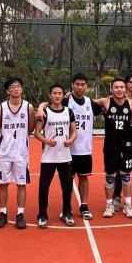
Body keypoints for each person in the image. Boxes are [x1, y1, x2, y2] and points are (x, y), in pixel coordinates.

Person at [36, 73, 103, 220]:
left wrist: (111, 98)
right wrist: (40, 107)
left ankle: (83, 206)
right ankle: (66, 209)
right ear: (72, 85)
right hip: (67, 150)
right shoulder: (66, 100)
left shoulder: (90, 103)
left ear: (86, 86)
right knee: (67, 182)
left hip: (85, 148)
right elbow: (50, 103)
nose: (80, 87)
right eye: (77, 84)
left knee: (84, 178)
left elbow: (105, 106)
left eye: (83, 85)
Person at [0, 77, 35, 230]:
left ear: (22, 89)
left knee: (21, 183)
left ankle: (20, 214)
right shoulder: (1, 108)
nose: (16, 88)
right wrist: (6, 140)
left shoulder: (28, 107)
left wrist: (20, 139)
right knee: (3, 183)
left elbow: (31, 128)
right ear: (7, 90)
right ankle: (3, 213)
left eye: (18, 86)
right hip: (5, 152)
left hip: (21, 152)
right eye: (12, 86)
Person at [34, 83, 77, 228]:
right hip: (48, 157)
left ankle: (67, 212)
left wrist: (71, 140)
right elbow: (37, 133)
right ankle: (42, 215)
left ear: (63, 95)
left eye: (60, 93)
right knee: (44, 186)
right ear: (50, 95)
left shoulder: (69, 112)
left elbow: (74, 131)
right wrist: (46, 141)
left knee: (67, 186)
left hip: (65, 156)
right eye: (54, 93)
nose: (57, 96)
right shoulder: (44, 112)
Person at [93, 78, 132, 219]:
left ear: (125, 89)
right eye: (116, 87)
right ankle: (109, 204)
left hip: (126, 147)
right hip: (110, 147)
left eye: (121, 87)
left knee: (126, 176)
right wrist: (69, 95)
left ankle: (128, 204)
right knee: (110, 177)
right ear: (111, 89)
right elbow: (86, 102)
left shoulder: (131, 103)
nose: (119, 89)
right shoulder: (106, 102)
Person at [112, 74, 132, 210]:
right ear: (126, 84)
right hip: (122, 140)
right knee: (120, 170)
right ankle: (116, 197)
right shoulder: (118, 100)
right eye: (130, 82)